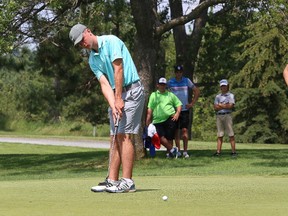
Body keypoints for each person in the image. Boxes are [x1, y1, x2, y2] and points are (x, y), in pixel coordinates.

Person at [69, 23, 145, 193]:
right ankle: (112, 180)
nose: (83, 44)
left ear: (88, 31)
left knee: (124, 135)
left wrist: (118, 98)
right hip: (116, 94)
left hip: (132, 91)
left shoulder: (111, 41)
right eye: (79, 44)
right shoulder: (92, 59)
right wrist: (113, 104)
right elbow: (104, 83)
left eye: (83, 39)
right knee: (115, 136)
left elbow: (119, 70)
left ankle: (127, 181)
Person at [167, 65, 200, 158]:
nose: (178, 74)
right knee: (175, 132)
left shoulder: (186, 81)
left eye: (180, 72)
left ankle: (185, 151)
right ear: (175, 73)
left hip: (185, 110)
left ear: (182, 72)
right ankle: (178, 150)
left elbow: (196, 91)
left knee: (185, 131)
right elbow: (163, 93)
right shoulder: (170, 82)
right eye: (177, 72)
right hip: (174, 110)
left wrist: (192, 103)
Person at [146, 77, 182, 158]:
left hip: (170, 118)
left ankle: (170, 154)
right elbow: (150, 108)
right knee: (160, 136)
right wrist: (148, 119)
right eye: (161, 84)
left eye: (164, 85)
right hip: (157, 120)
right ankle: (173, 150)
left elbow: (179, 104)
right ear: (157, 85)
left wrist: (177, 113)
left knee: (169, 137)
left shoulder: (170, 95)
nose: (162, 86)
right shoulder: (153, 95)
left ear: (166, 85)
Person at [213, 79, 236, 157]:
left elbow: (230, 106)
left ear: (227, 86)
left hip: (227, 115)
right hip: (219, 116)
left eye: (224, 86)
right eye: (222, 86)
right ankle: (218, 151)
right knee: (220, 134)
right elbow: (215, 107)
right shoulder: (218, 96)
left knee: (231, 134)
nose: (223, 87)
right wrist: (224, 105)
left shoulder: (230, 95)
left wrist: (221, 105)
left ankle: (233, 152)